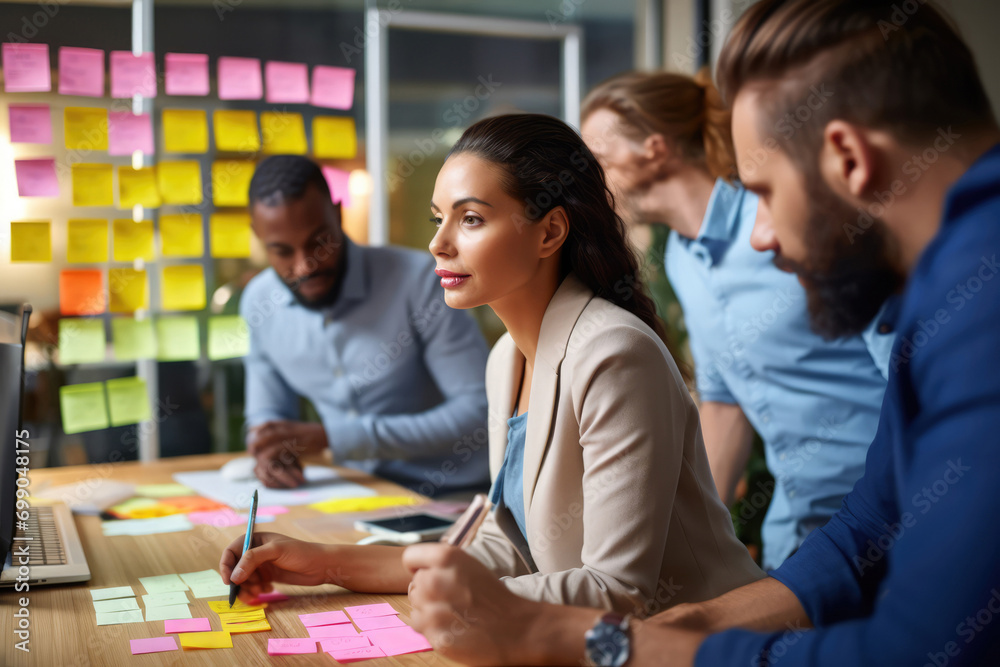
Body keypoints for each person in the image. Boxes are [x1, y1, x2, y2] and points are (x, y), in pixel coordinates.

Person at [400, 1, 1000, 665]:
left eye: (765, 192)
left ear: (850, 160)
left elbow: (914, 651)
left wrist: (580, 637)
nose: (763, 235)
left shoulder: (982, 309)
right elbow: (867, 528)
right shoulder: (938, 292)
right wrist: (697, 620)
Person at [222, 115, 763, 614]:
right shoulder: (506, 359)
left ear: (550, 231)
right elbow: (504, 548)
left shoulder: (616, 355)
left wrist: (450, 595)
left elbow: (616, 590)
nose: (437, 243)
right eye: (439, 219)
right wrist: (324, 562)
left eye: (471, 219)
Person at [580, 69, 893, 570]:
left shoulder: (777, 219)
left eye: (597, 161)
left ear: (654, 150)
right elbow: (724, 403)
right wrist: (690, 543)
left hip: (891, 513)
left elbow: (903, 364)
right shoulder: (681, 258)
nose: (589, 184)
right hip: (799, 527)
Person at [240, 155, 490, 497]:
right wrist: (270, 451)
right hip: (355, 493)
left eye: (318, 242)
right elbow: (267, 415)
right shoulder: (259, 303)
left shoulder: (419, 283)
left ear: (338, 215)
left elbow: (480, 412)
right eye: (282, 251)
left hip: (458, 494)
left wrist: (333, 437)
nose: (304, 266)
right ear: (258, 237)